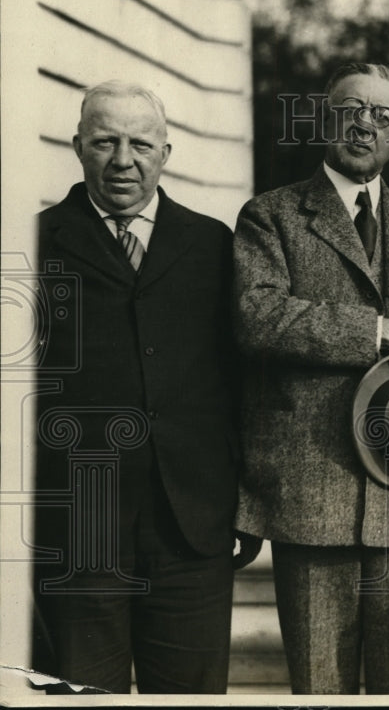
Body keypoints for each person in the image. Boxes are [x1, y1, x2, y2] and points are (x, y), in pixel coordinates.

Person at [233, 62, 389, 694]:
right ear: (324, 120)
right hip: (311, 500)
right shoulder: (272, 216)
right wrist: (384, 332)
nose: (364, 124)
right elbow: (259, 318)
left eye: (383, 116)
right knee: (321, 690)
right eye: (349, 109)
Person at [34, 80, 245, 693]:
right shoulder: (35, 242)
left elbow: (241, 383)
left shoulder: (213, 244)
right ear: (78, 148)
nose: (123, 160)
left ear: (166, 153)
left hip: (193, 527)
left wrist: (244, 502)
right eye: (105, 142)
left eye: (140, 144)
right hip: (77, 525)